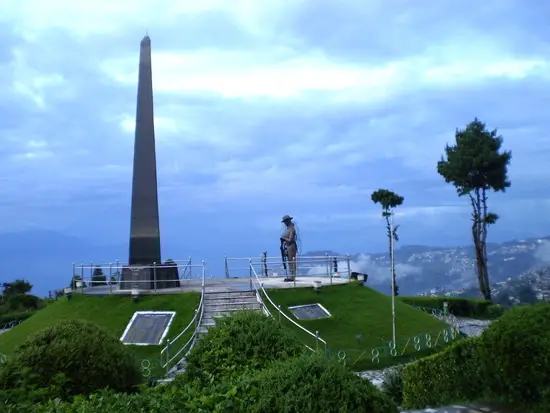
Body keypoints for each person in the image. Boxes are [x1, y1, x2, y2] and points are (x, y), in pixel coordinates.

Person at [280, 215, 297, 281]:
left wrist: (283, 238)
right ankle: (291, 276)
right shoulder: (288, 229)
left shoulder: (292, 229)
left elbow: (290, 240)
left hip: (291, 247)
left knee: (292, 261)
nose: (285, 223)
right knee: (289, 262)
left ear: (288, 221)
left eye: (285, 222)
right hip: (288, 247)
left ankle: (292, 277)